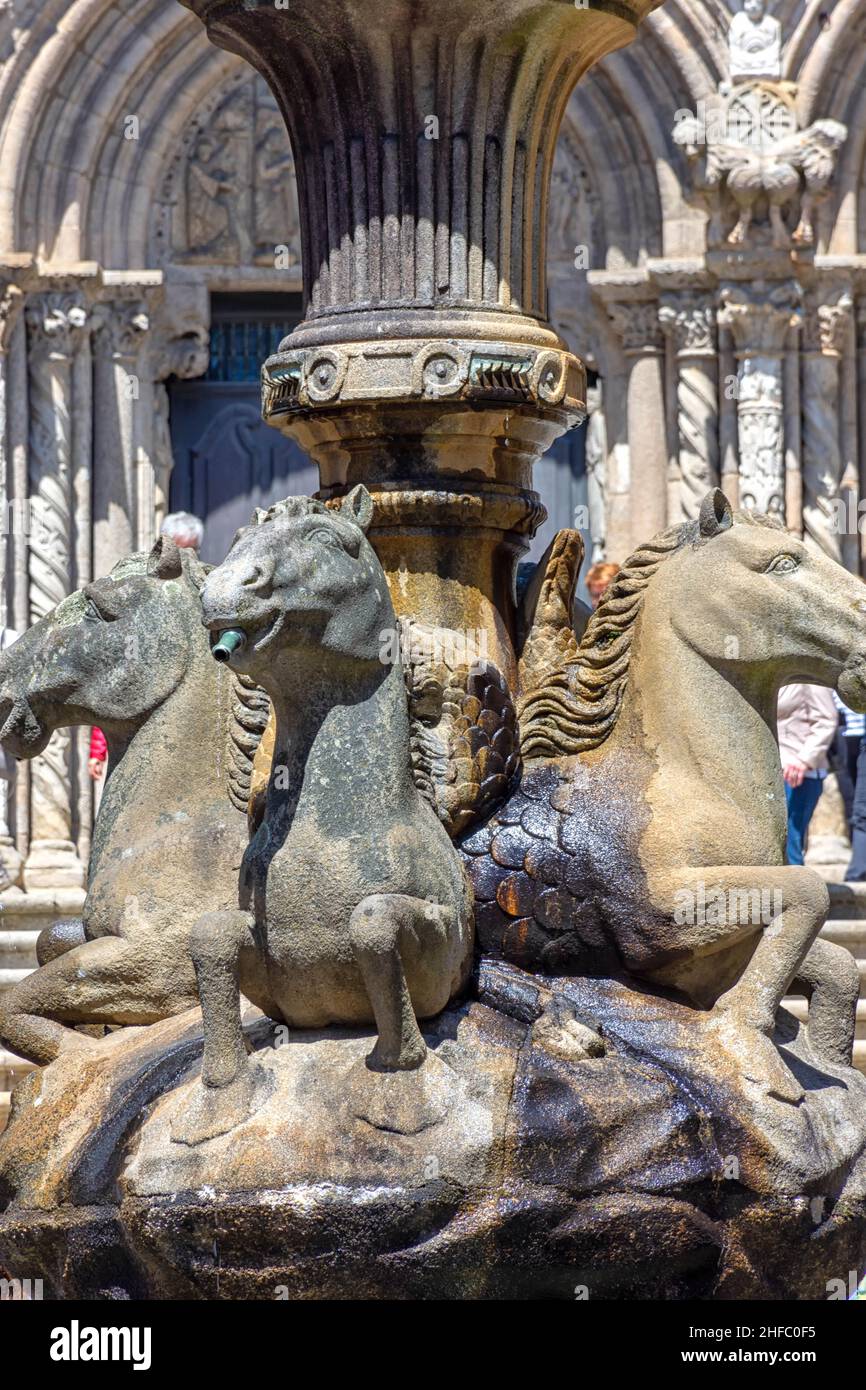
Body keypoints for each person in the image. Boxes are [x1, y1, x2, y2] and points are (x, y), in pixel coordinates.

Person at [89, 511, 205, 783]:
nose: (184, 560)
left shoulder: (210, 598)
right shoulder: (138, 602)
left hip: (195, 736)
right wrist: (98, 749)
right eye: (177, 551)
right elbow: (114, 678)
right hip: (142, 738)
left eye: (191, 551)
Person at [777, 683, 838, 866]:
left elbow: (826, 720)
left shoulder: (808, 678)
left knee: (791, 843)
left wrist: (804, 759)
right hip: (773, 768)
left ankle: (797, 893)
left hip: (799, 773)